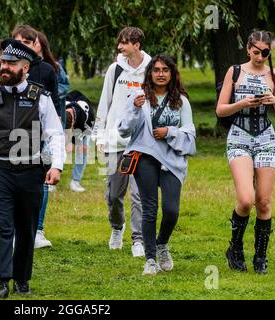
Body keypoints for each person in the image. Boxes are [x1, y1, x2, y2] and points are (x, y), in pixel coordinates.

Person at [0, 39, 65, 298]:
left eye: (11, 63)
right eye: (3, 63)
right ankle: (1, 281)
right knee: (2, 228)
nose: (4, 67)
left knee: (26, 228)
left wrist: (57, 166)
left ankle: (22, 278)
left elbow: (55, 133)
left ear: (26, 67)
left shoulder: (40, 97)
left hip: (31, 172)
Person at [118, 54, 196, 275]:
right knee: (149, 209)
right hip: (145, 157)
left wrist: (169, 132)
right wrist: (134, 108)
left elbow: (190, 133)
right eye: (156, 70)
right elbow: (124, 129)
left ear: (172, 74)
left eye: (165, 70)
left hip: (171, 160)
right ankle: (150, 258)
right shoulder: (138, 96)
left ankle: (162, 243)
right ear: (150, 73)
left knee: (171, 211)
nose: (160, 74)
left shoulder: (181, 101)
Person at [216, 30, 275, 274]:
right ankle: (234, 248)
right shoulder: (235, 72)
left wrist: (274, 101)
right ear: (248, 49)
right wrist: (242, 103)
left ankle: (260, 257)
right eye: (256, 51)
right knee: (246, 200)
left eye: (265, 52)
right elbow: (220, 110)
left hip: (266, 138)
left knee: (264, 202)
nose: (260, 56)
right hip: (239, 136)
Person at [91, 27, 151, 257]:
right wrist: (99, 136)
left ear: (136, 44)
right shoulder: (115, 70)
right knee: (114, 194)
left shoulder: (152, 69)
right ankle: (117, 227)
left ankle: (138, 239)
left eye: (124, 43)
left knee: (139, 194)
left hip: (141, 141)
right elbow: (104, 104)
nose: (120, 47)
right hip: (114, 141)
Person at [32, 30, 70, 249]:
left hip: (46, 130)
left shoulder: (51, 68)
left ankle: (38, 228)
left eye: (33, 42)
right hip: (22, 134)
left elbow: (61, 90)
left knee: (42, 180)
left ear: (41, 45)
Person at [65, 90, 95, 193]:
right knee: (51, 148)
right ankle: (50, 181)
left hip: (85, 126)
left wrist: (74, 142)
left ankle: (75, 182)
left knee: (82, 151)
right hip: (69, 108)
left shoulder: (85, 115)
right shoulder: (59, 110)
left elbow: (89, 126)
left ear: (73, 122)